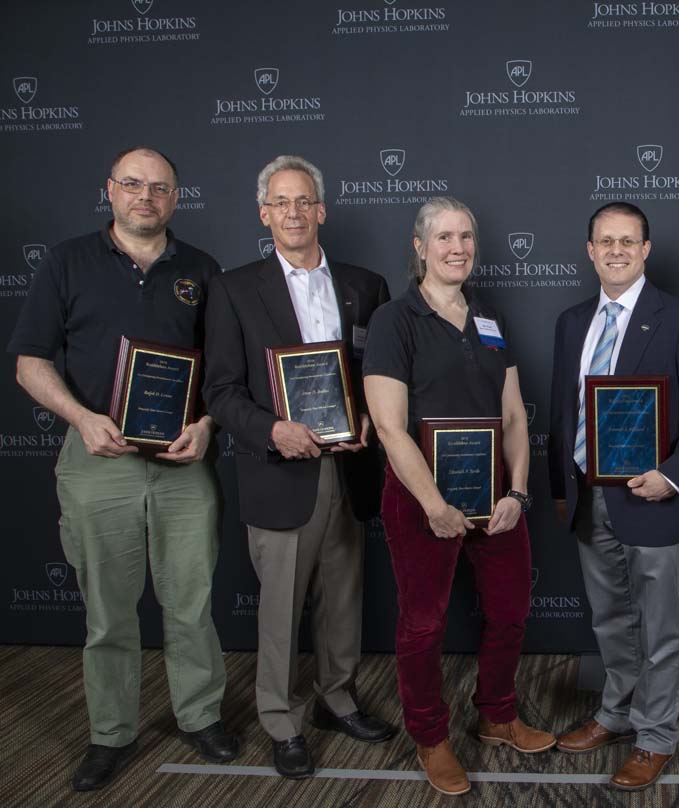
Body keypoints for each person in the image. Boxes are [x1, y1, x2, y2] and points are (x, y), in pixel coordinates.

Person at [7, 146, 238, 791]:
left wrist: (208, 425)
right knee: (108, 612)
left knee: (191, 603)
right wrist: (81, 418)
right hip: (97, 456)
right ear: (110, 190)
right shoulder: (67, 262)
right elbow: (29, 361)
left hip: (181, 463)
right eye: (133, 185)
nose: (146, 197)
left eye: (159, 188)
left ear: (175, 197)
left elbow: (225, 372)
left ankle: (199, 717)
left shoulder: (202, 269)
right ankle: (111, 733)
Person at [202, 155, 393, 780]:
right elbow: (222, 390)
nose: (293, 212)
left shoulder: (367, 285)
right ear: (264, 214)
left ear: (321, 210)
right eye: (280, 202)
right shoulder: (233, 289)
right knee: (279, 607)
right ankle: (280, 718)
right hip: (280, 471)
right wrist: (273, 431)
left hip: (349, 467)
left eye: (303, 201)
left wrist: (369, 413)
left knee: (343, 598)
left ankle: (336, 699)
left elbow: (377, 375)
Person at [363, 197, 555, 797]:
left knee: (509, 612)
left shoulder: (490, 318)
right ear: (419, 247)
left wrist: (519, 492)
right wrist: (433, 505)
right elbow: (390, 426)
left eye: (466, 237)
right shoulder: (395, 319)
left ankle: (497, 715)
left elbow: (516, 415)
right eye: (443, 237)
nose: (457, 248)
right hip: (423, 497)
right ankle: (430, 736)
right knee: (424, 624)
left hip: (495, 494)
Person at [549, 202, 679, 790]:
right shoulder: (572, 321)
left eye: (628, 241)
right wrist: (563, 487)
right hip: (588, 495)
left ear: (647, 249)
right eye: (606, 241)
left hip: (651, 495)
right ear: (590, 250)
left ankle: (655, 736)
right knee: (610, 620)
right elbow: (563, 411)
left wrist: (673, 476)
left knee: (659, 625)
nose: (617, 250)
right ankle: (616, 713)